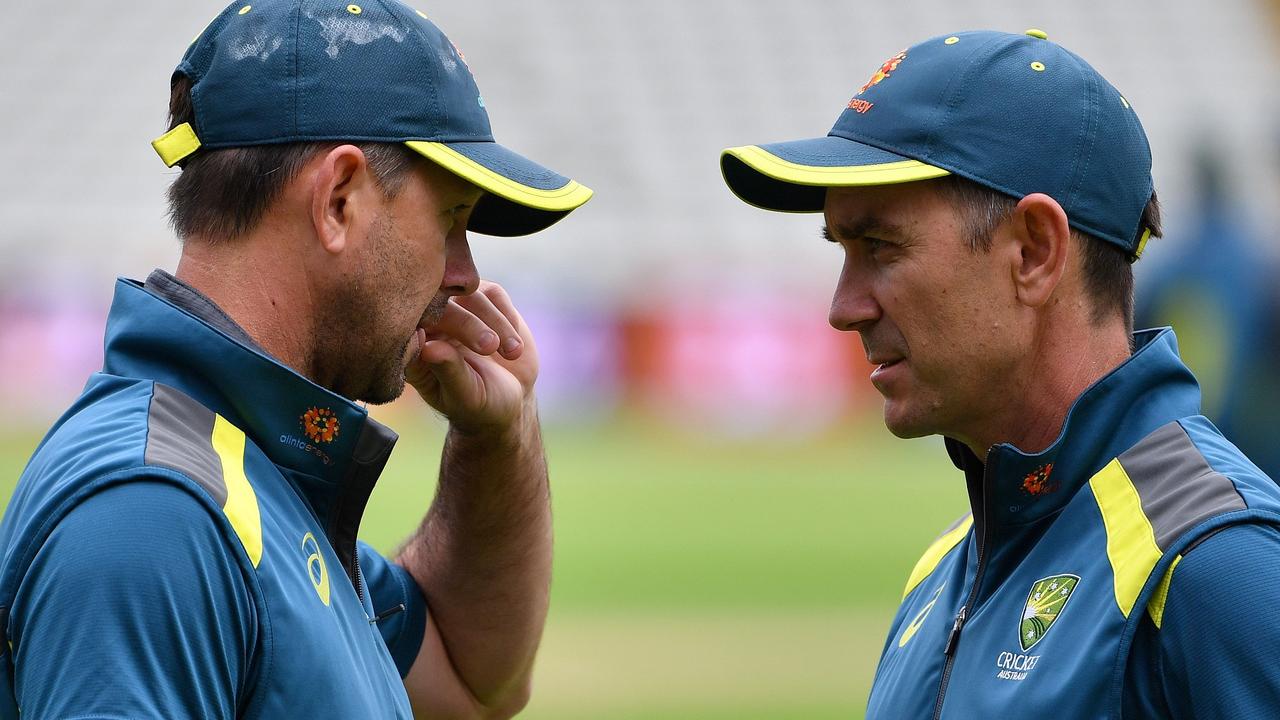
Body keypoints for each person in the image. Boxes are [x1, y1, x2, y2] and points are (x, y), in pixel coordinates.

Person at [0, 1, 590, 718]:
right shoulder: (154, 515)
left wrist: (498, 436)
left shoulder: (244, 463)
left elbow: (473, 685)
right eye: (452, 221)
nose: (464, 274)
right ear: (338, 200)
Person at [720, 29, 1280, 718]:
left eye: (880, 248)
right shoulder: (946, 566)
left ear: (1034, 252)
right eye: (842, 250)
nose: (844, 308)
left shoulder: (1221, 567)